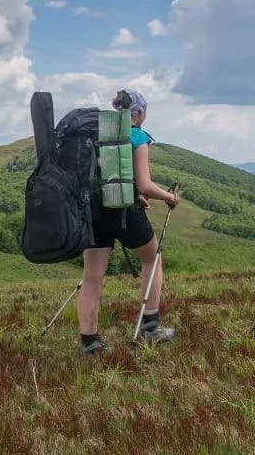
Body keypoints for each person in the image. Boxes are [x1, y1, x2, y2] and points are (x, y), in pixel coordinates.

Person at [77, 89, 180, 355]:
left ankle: (90, 343)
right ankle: (150, 327)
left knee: (91, 277)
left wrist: (135, 193)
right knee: (152, 258)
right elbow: (145, 185)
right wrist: (168, 196)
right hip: (124, 213)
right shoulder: (137, 137)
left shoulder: (98, 136)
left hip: (95, 212)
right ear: (141, 112)